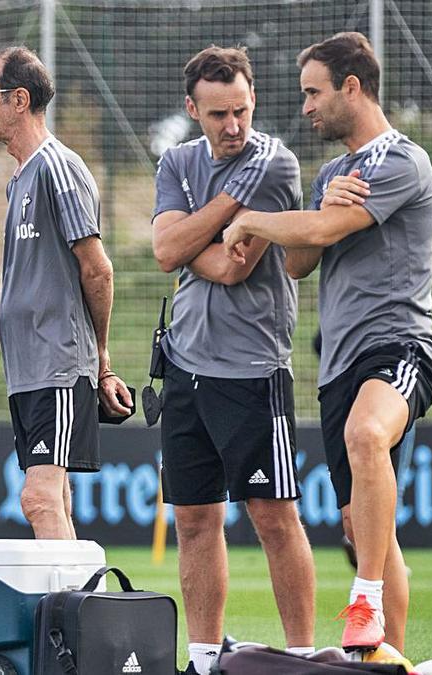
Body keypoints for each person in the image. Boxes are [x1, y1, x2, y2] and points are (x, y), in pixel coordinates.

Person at [223, 32, 432, 654]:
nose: (307, 107)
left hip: (398, 347)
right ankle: (388, 661)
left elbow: (320, 227)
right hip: (338, 365)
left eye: (314, 93)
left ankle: (364, 601)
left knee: (367, 434)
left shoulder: (401, 160)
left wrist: (253, 219)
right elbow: (299, 262)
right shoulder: (337, 171)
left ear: (352, 86)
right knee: (363, 528)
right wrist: (317, 207)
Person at [150, 46, 316, 675]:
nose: (234, 126)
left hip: (252, 369)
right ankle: (202, 660)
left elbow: (227, 265)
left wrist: (191, 231)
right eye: (218, 113)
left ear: (254, 103)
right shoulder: (176, 160)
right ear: (193, 109)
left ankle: (304, 658)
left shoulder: (274, 161)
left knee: (273, 515)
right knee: (194, 517)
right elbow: (171, 252)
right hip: (185, 367)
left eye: (242, 110)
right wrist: (220, 219)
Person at [0, 46, 132, 540]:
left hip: (58, 363)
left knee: (39, 497)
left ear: (19, 100)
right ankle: (79, 609)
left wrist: (100, 363)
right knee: (53, 498)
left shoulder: (58, 168)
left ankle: (72, 612)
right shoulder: (19, 179)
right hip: (28, 370)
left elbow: (97, 270)